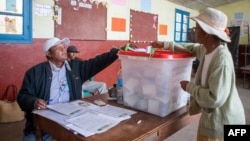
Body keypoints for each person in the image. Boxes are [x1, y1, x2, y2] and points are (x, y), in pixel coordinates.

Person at [152, 7, 245, 141]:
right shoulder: (207, 49)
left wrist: (189, 87)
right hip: (212, 118)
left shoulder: (221, 61)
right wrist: (165, 44)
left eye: (196, 28)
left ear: (207, 33)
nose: (194, 30)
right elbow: (191, 48)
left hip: (224, 125)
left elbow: (214, 99)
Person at [17, 37, 127, 141]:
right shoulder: (35, 73)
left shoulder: (76, 67)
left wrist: (117, 52)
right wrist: (34, 101)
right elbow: (23, 96)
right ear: (48, 54)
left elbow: (98, 62)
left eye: (64, 47)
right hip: (46, 121)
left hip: (72, 118)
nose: (63, 50)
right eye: (58, 48)